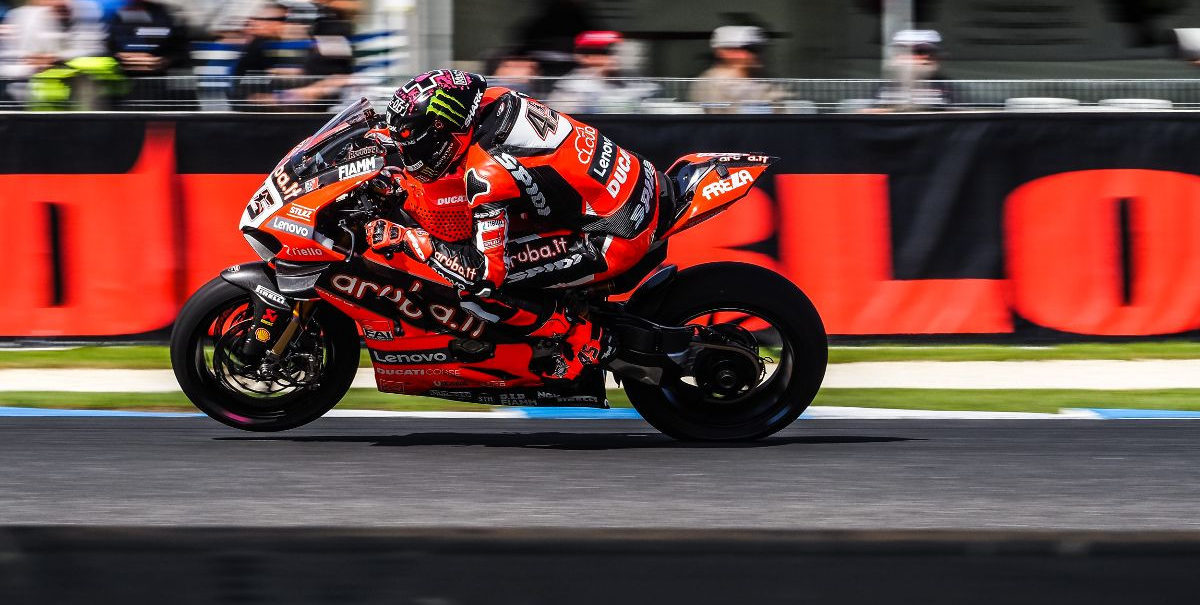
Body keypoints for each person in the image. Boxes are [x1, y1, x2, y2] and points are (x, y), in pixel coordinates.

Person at [364, 70, 668, 380]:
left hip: (614, 233)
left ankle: (586, 338)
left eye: (420, 144)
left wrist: (411, 239)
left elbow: (485, 273)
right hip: (635, 183)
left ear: (449, 128)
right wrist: (391, 137)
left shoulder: (486, 172)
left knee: (473, 286)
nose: (413, 155)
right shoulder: (495, 100)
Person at [548, 30, 655, 113]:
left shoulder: (632, 81)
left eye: (618, 51)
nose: (615, 57)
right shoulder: (570, 86)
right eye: (607, 52)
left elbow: (648, 103)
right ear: (586, 57)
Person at [688, 24, 786, 113]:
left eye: (757, 50)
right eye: (747, 49)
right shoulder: (709, 83)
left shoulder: (766, 82)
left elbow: (778, 113)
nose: (752, 55)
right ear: (723, 52)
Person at [870, 29, 956, 112]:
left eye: (930, 52)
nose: (927, 57)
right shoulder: (888, 85)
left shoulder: (942, 83)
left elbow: (955, 112)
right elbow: (873, 111)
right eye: (920, 51)